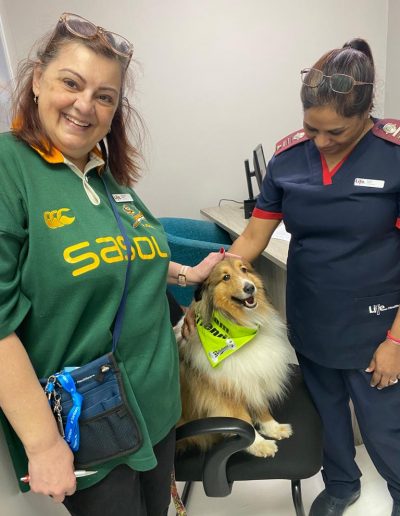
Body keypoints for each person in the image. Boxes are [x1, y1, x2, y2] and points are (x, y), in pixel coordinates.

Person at [0, 12, 227, 516]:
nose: (86, 105)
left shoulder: (106, 175)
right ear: (37, 80)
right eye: (71, 83)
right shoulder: (9, 169)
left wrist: (187, 274)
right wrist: (41, 445)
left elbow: (121, 254)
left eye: (105, 96)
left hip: (157, 405)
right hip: (89, 421)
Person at [227, 39, 400, 516]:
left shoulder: (393, 156)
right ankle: (341, 484)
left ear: (367, 113)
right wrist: (217, 268)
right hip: (312, 316)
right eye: (311, 128)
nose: (321, 141)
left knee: (385, 425)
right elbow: (254, 238)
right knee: (326, 416)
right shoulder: (288, 159)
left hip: (377, 327)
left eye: (336, 132)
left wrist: (396, 342)